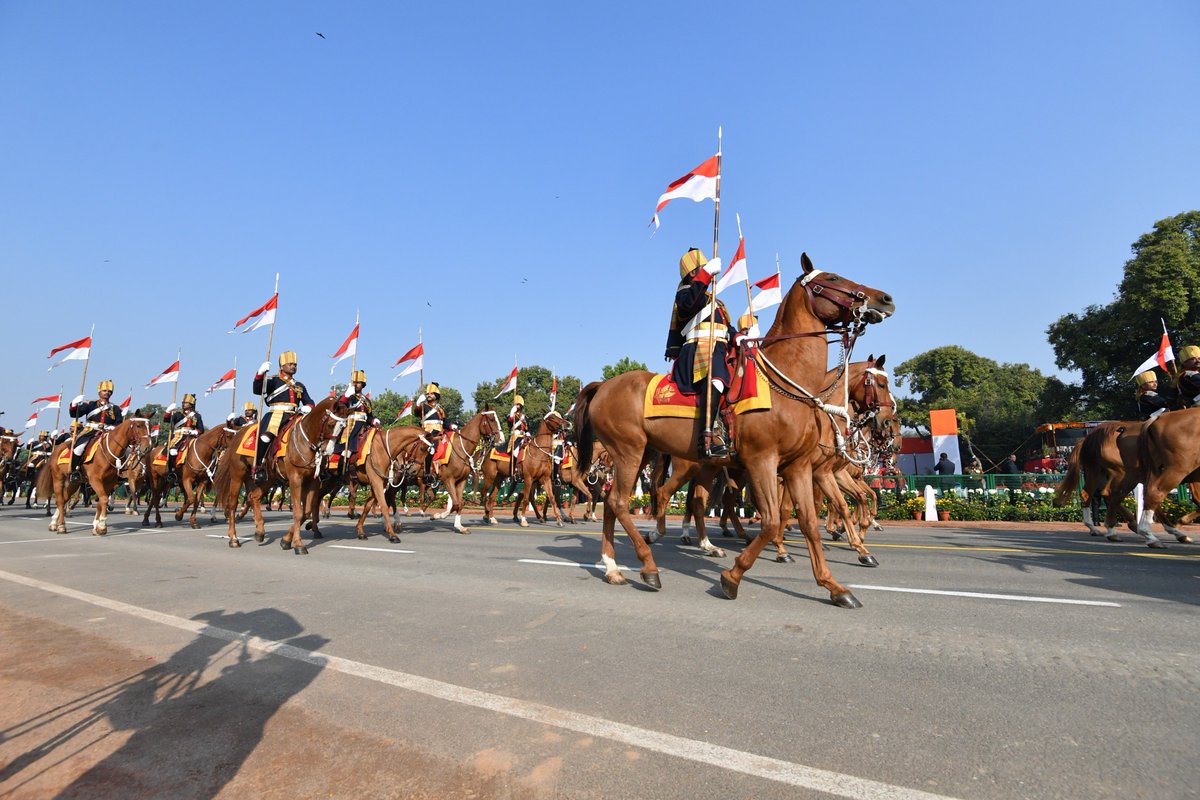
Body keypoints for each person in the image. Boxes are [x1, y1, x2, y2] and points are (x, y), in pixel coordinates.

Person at [665, 247, 736, 458]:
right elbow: (688, 306)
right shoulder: (686, 292)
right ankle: (706, 437)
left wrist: (738, 336)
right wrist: (706, 275)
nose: (708, 270)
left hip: (720, 347)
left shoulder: (715, 301)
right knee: (716, 378)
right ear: (693, 273)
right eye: (703, 268)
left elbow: (725, 327)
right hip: (698, 350)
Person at [252, 351, 315, 483]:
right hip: (276, 415)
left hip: (295, 416)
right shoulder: (272, 380)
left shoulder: (300, 386)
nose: (293, 366)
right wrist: (260, 374)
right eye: (290, 364)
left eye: (295, 364)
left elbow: (309, 401)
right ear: (282, 366)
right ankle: (259, 466)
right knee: (265, 437)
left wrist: (308, 407)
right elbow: (257, 390)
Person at [67, 380, 124, 482]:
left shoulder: (115, 408)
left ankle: (120, 472)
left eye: (109, 391)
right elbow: (75, 414)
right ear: (99, 392)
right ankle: (75, 471)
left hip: (108, 433)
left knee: (123, 449)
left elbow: (119, 423)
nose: (107, 393)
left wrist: (113, 428)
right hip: (91, 431)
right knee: (79, 448)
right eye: (104, 390)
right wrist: (74, 405)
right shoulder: (90, 404)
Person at [328, 370, 379, 477]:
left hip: (364, 426)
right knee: (347, 451)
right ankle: (340, 475)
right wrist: (346, 395)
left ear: (363, 385)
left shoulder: (366, 400)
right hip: (352, 425)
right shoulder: (349, 396)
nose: (356, 384)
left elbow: (369, 415)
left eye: (358, 382)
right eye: (354, 382)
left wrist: (373, 420)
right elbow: (340, 405)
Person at [163, 393, 206, 484]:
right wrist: (168, 411)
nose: (183, 404)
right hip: (179, 436)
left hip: (191, 437)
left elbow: (201, 429)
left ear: (190, 404)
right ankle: (172, 472)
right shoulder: (178, 414)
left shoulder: (197, 416)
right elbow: (167, 420)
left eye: (185, 402)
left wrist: (194, 432)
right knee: (172, 451)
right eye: (183, 402)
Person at [414, 383, 447, 477]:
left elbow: (445, 421)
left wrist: (451, 426)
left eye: (431, 393)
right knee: (430, 449)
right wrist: (418, 404)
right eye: (428, 394)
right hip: (428, 435)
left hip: (440, 434)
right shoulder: (424, 407)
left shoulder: (440, 408)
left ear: (436, 396)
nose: (429, 395)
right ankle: (427, 472)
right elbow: (417, 413)